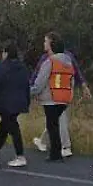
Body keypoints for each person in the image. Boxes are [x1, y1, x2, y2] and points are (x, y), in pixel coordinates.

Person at [33, 43, 89, 157]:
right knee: (55, 120)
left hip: (53, 93)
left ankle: (65, 146)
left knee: (59, 119)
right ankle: (43, 141)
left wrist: (32, 89)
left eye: (46, 41)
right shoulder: (68, 57)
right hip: (66, 92)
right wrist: (83, 85)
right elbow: (76, 72)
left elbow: (39, 74)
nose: (44, 44)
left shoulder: (48, 59)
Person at [30, 33, 75, 163]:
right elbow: (71, 81)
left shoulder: (50, 62)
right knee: (54, 125)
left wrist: (31, 92)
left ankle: (56, 153)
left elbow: (40, 82)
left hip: (51, 98)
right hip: (64, 98)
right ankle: (57, 152)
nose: (44, 44)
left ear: (51, 45)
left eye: (45, 42)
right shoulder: (68, 62)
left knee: (52, 126)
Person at [0, 42, 31, 167]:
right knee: (5, 125)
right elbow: (26, 85)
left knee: (12, 126)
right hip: (19, 101)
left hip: (5, 102)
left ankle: (20, 155)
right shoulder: (22, 67)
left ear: (5, 53)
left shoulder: (1, 68)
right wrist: (27, 101)